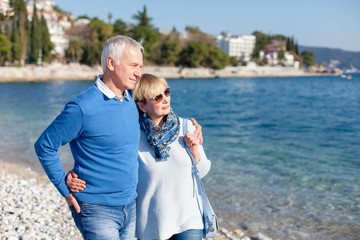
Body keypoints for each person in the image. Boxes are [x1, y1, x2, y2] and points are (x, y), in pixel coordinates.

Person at [67, 73, 211, 240]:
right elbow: (109, 163)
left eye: (167, 92)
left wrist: (195, 153)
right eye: (157, 97)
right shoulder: (132, 135)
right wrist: (75, 173)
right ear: (142, 106)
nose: (165, 99)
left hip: (188, 220)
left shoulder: (187, 127)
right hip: (151, 224)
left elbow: (203, 171)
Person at [34, 35, 144, 240]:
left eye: (140, 66)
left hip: (130, 205)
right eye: (133, 66)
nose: (139, 73)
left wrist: (187, 127)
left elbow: (157, 118)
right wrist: (64, 187)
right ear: (111, 63)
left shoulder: (130, 100)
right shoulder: (82, 107)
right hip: (96, 209)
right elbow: (44, 146)